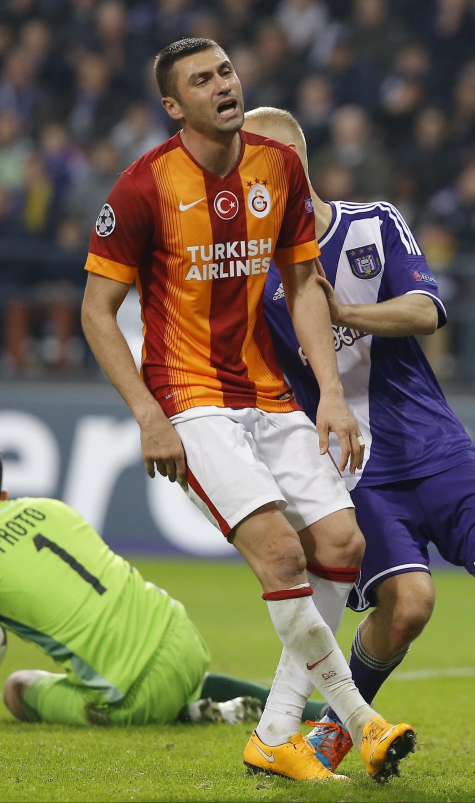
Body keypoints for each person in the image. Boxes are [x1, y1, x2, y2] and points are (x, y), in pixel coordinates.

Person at [81, 37, 415, 782]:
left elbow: (302, 287)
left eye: (226, 71)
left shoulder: (279, 166)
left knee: (343, 544)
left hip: (267, 391)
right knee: (282, 554)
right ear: (174, 106)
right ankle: (361, 721)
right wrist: (147, 415)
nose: (222, 85)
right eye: (202, 80)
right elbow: (96, 312)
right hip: (189, 398)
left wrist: (330, 393)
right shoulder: (141, 188)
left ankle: (272, 735)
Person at [243, 105, 475, 772]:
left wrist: (342, 311)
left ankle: (325, 729)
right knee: (408, 606)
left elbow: (426, 309)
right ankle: (337, 730)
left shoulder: (373, 222)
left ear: (296, 163)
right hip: (355, 469)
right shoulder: (254, 279)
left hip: (437, 447)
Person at [0, 438, 278, 728]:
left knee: (16, 688)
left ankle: (181, 711)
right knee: (159, 669)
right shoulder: (50, 508)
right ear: (3, 497)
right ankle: (281, 708)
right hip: (185, 642)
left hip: (133, 693)